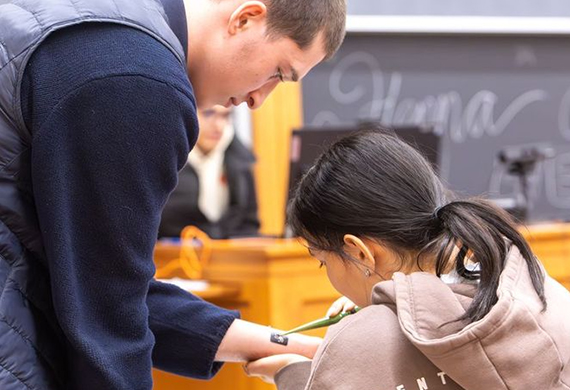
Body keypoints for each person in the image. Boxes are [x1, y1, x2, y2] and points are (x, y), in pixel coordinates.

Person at [0, 0, 346, 389]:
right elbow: (107, 319)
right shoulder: (139, 78)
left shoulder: (105, 25)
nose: (258, 100)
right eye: (277, 73)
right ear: (245, 18)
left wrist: (285, 345)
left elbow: (103, 286)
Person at [245, 129, 570, 389]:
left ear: (360, 251)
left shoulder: (358, 344)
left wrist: (294, 374)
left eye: (322, 260)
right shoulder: (542, 290)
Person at [159, 105, 260, 239]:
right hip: (172, 255)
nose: (218, 126)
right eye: (208, 114)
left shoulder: (240, 160)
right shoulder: (166, 159)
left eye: (225, 116)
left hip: (226, 256)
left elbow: (249, 225)